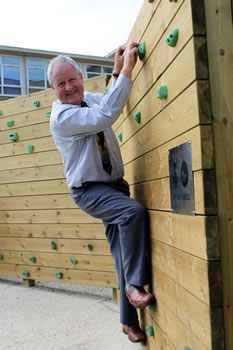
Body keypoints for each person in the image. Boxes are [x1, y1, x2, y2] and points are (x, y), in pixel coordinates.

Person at [47, 42, 155, 344]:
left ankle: (127, 322)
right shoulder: (63, 117)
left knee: (123, 254)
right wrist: (129, 69)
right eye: (60, 83)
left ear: (81, 77)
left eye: (72, 79)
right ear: (52, 89)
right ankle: (134, 287)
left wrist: (118, 70)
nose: (68, 87)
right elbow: (106, 114)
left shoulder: (88, 99)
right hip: (90, 190)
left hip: (114, 187)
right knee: (133, 212)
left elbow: (107, 100)